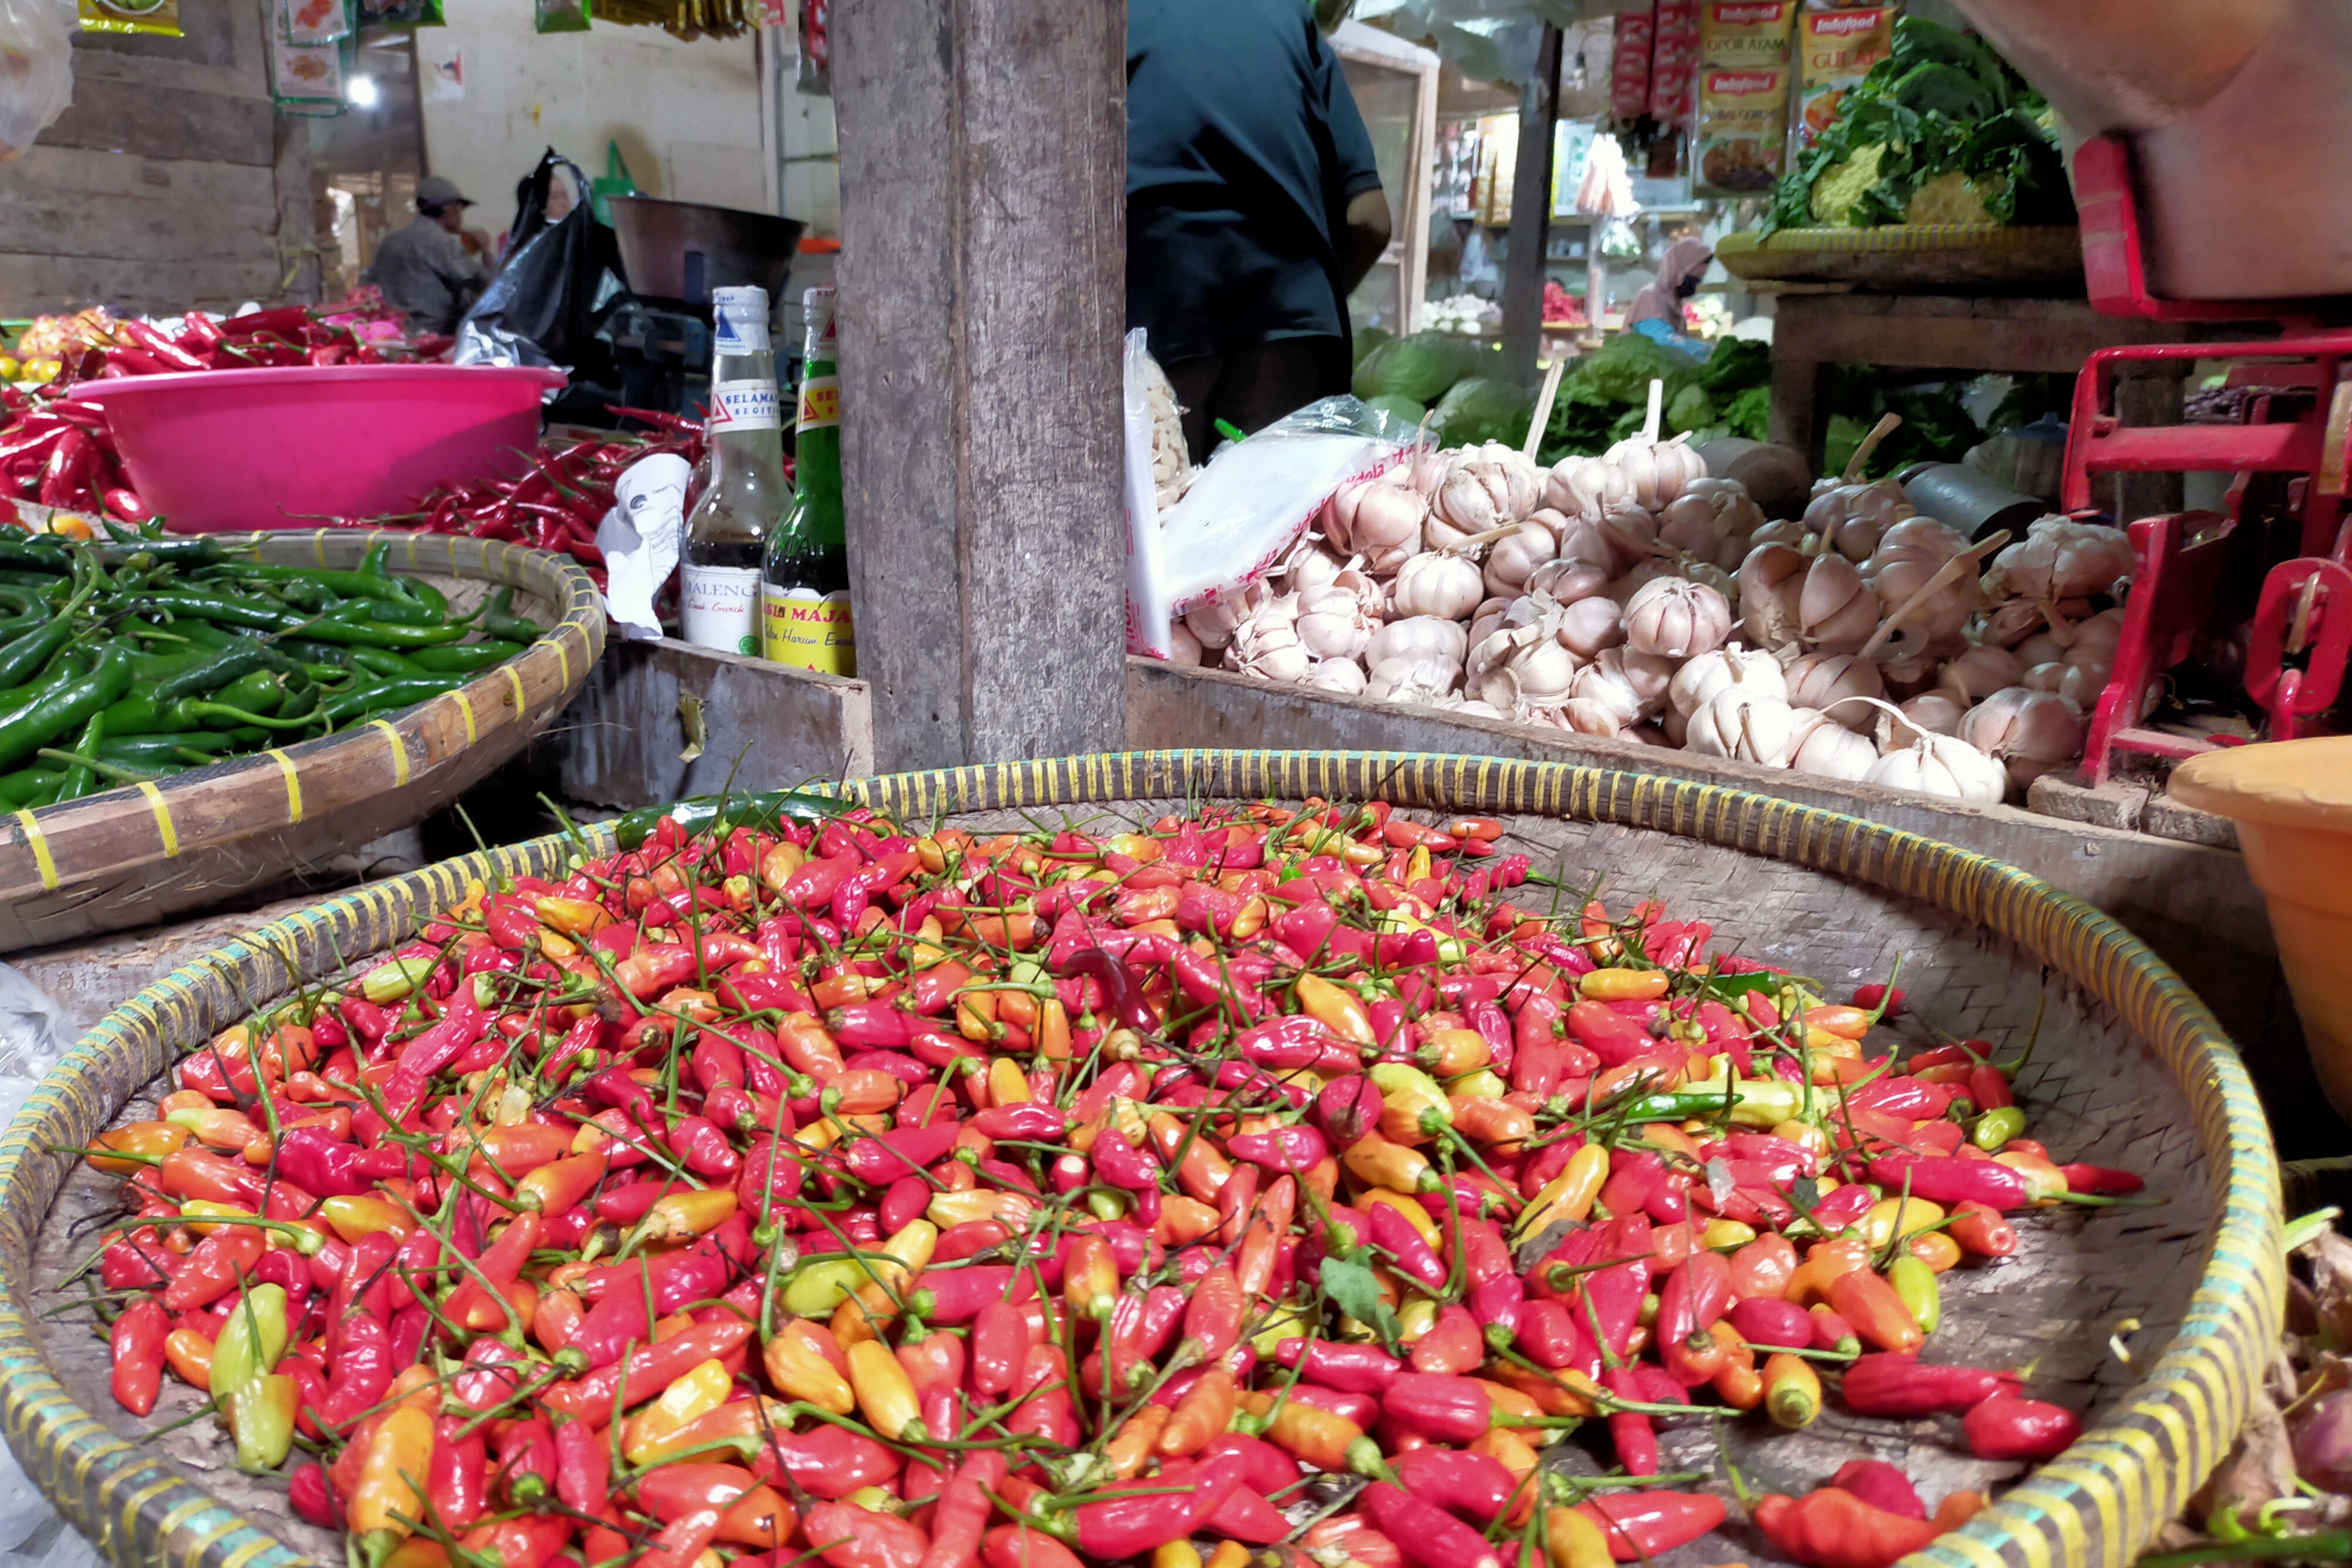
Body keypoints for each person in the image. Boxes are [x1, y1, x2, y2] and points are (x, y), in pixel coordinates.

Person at [1128, 0, 1393, 461]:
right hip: (1289, 328)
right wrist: (1298, 309)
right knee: (1274, 523)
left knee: (1159, 517)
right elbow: (1371, 221)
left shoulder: (1113, 18)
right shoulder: (1291, 19)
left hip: (1159, 315)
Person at [370, 175, 491, 337]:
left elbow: (370, 284)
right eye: (460, 209)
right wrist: (485, 250)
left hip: (393, 332)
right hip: (433, 335)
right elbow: (486, 284)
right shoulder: (444, 242)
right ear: (449, 210)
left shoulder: (390, 242)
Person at [1624, 233, 1713, 355]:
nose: (1698, 282)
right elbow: (1660, 341)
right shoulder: (1651, 296)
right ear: (1680, 271)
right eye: (1695, 277)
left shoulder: (1674, 303)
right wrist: (1707, 351)